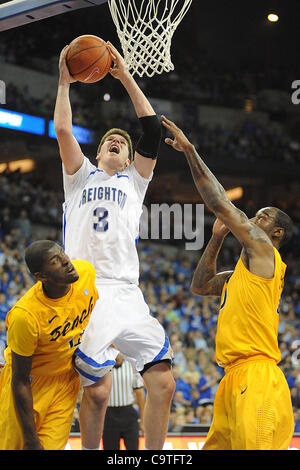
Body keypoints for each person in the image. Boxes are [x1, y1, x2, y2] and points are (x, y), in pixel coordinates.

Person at [54, 42, 175, 450]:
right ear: (99, 151)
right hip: (86, 289)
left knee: (163, 381)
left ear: (128, 159)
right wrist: (64, 81)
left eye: (122, 142)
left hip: (126, 291)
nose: (116, 142)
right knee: (99, 391)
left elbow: (153, 129)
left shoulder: (135, 182)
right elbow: (64, 130)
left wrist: (123, 75)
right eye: (109, 139)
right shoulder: (79, 177)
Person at [161, 114, 294, 450]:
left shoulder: (266, 252)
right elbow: (200, 286)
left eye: (262, 217)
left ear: (276, 233)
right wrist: (216, 240)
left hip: (257, 376)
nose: (252, 218)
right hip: (232, 377)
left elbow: (219, 201)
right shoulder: (241, 274)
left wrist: (190, 151)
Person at [0, 240, 98, 450]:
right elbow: (20, 380)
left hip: (64, 382)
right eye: (55, 261)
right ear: (41, 277)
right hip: (29, 386)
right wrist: (31, 439)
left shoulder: (86, 273)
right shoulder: (25, 316)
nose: (66, 261)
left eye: (62, 253)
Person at [102, 353, 145, 450]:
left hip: (128, 413)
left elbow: (140, 394)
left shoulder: (131, 367)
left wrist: (143, 420)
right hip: (109, 415)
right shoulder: (103, 368)